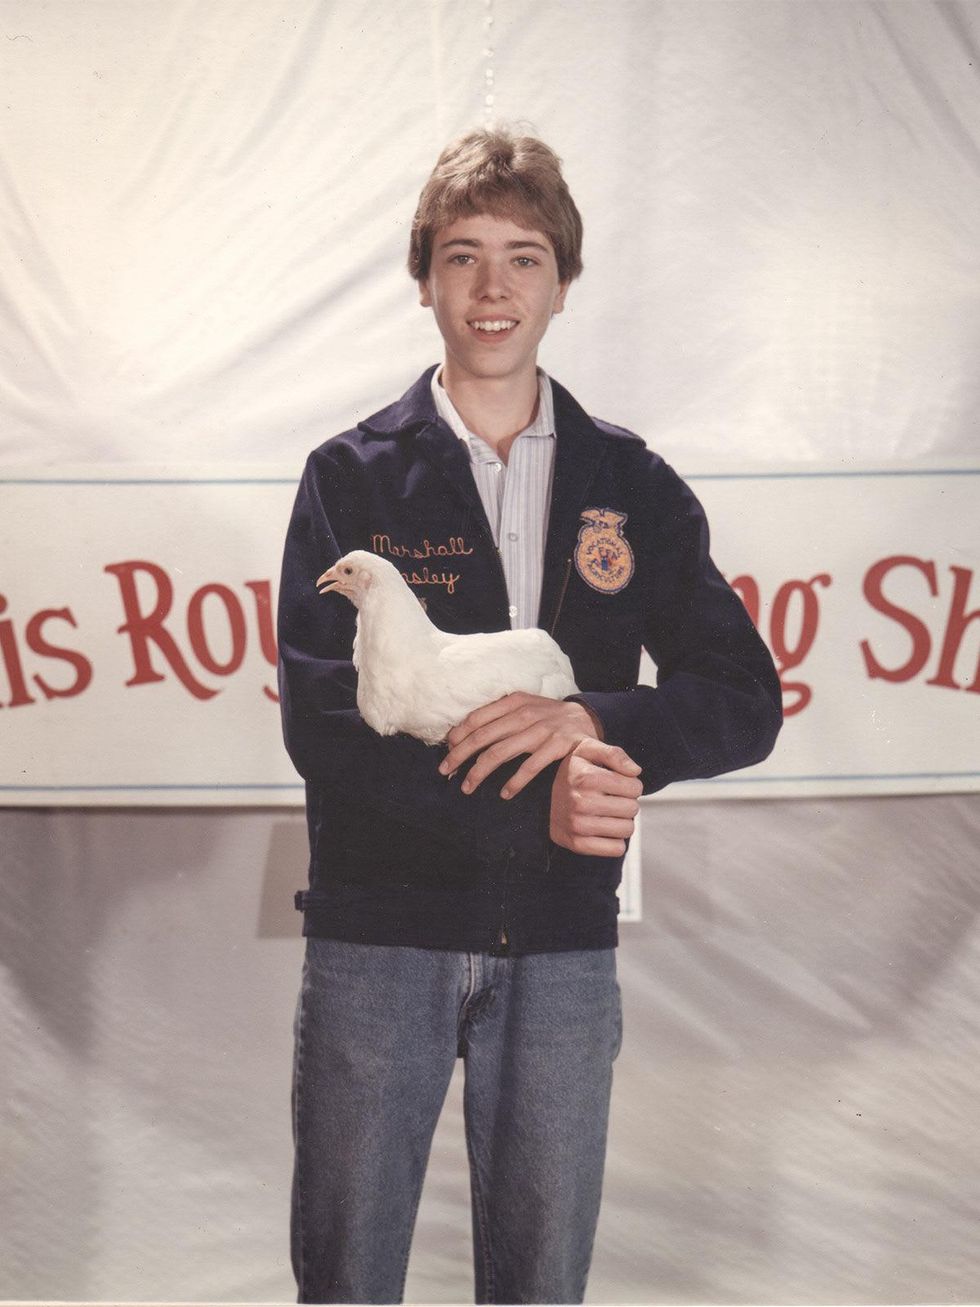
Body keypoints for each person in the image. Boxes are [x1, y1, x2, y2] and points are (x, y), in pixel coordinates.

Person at [277, 128, 782, 1305]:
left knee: (541, 1285)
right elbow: (323, 723)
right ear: (423, 279)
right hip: (378, 937)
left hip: (559, 943)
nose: (491, 287)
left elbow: (741, 697)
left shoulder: (630, 484)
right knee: (347, 1280)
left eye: (523, 257)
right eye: (461, 256)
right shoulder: (350, 475)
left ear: (563, 281)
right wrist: (527, 805)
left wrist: (592, 722)